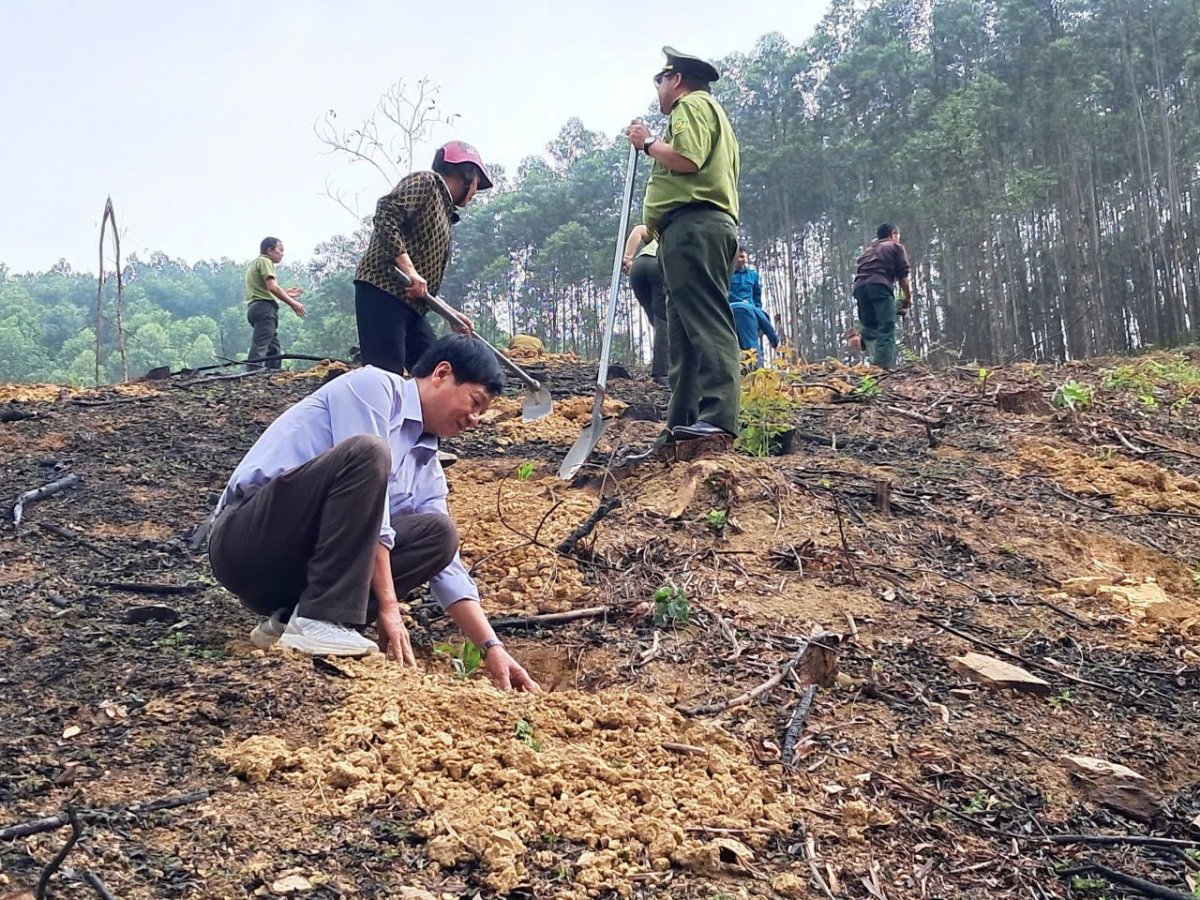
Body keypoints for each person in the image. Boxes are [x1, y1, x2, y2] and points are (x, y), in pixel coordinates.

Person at [207, 334, 540, 692]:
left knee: (439, 535)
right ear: (441, 373)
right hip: (247, 541)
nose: (475, 419)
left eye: (482, 412)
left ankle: (293, 620)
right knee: (369, 453)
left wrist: (493, 649)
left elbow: (449, 568)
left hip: (287, 579)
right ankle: (322, 619)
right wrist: (389, 606)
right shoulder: (373, 388)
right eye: (475, 402)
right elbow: (375, 509)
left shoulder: (426, 464)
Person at [625, 47, 741, 447]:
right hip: (687, 232)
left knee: (706, 322)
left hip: (695, 227)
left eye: (660, 80)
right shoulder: (717, 120)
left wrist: (647, 143)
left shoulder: (691, 106)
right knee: (683, 334)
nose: (658, 89)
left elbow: (688, 159)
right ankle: (681, 424)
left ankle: (720, 417)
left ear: (676, 80)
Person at [353, 142, 493, 376]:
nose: (475, 194)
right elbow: (386, 213)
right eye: (477, 184)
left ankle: (421, 413)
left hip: (411, 304)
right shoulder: (427, 182)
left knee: (434, 373)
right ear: (466, 174)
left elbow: (421, 281)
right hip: (383, 290)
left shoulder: (444, 210)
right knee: (384, 377)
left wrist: (450, 313)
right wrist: (408, 270)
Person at [852, 223, 912, 369]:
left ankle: (860, 337)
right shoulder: (895, 247)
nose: (898, 239)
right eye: (897, 236)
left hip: (860, 289)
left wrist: (898, 305)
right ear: (893, 234)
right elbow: (902, 276)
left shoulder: (867, 251)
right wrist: (908, 297)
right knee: (887, 327)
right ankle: (880, 368)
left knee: (871, 325)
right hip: (880, 286)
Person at [245, 238, 305, 369]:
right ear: (270, 250)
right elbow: (272, 287)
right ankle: (252, 375)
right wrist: (293, 303)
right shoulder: (265, 261)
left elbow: (265, 290)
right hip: (265, 309)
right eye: (280, 250)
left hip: (256, 308)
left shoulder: (256, 263)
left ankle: (272, 373)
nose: (282, 253)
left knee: (273, 347)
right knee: (260, 347)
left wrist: (285, 293)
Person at [622, 224, 668, 386]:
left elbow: (638, 230)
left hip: (639, 267)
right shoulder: (689, 230)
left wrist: (627, 258)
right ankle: (662, 373)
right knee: (665, 322)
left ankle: (668, 365)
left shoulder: (663, 227)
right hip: (659, 266)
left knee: (658, 322)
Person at [729, 298, 779, 368]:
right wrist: (775, 343)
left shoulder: (752, 309)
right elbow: (768, 328)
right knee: (752, 349)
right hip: (744, 312)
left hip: (727, 311)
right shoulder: (759, 312)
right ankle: (756, 373)